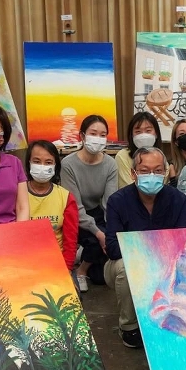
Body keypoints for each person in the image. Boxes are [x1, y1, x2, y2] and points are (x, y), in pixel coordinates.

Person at [105, 147, 186, 348]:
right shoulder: (117, 201)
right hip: (127, 266)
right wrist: (152, 251)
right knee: (124, 268)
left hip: (167, 266)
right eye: (144, 170)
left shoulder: (178, 200)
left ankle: (178, 321)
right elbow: (113, 248)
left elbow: (181, 244)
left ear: (166, 173)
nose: (151, 175)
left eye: (158, 170)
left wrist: (142, 246)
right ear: (133, 173)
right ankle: (129, 326)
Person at [61, 114, 118, 291]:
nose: (98, 138)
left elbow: (109, 202)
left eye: (103, 135)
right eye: (93, 133)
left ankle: (84, 254)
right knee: (96, 240)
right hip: (73, 215)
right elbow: (75, 206)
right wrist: (99, 234)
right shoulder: (68, 164)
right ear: (82, 136)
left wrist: (110, 231)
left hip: (96, 212)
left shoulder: (110, 164)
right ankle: (81, 270)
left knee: (101, 278)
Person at [25, 140, 79, 272]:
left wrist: (66, 269)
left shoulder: (65, 197)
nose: (42, 166)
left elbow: (70, 241)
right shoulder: (17, 193)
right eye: (37, 161)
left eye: (48, 162)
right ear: (28, 163)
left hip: (56, 262)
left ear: (55, 166)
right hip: (25, 262)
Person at [116, 111, 161, 189]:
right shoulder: (122, 156)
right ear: (131, 135)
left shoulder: (161, 158)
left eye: (148, 131)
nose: (143, 135)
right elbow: (128, 188)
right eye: (138, 132)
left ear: (156, 133)